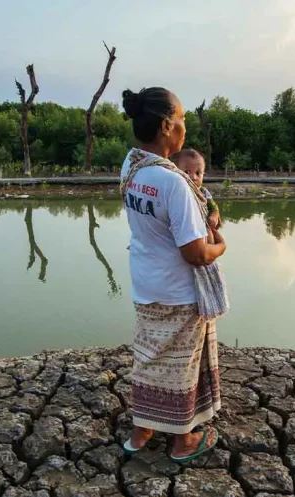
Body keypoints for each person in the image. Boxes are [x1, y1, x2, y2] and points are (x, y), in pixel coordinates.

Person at [118, 87, 226, 462]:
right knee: (183, 368)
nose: (184, 127)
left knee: (149, 360)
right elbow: (196, 253)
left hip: (146, 283)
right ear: (166, 126)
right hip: (179, 292)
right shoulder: (175, 182)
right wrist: (221, 246)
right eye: (181, 119)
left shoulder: (131, 167)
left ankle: (141, 432)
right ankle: (183, 441)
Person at [170, 149, 222, 231]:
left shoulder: (203, 191)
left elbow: (213, 207)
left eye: (198, 173)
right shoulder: (173, 192)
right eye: (187, 172)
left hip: (202, 229)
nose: (194, 177)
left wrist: (213, 216)